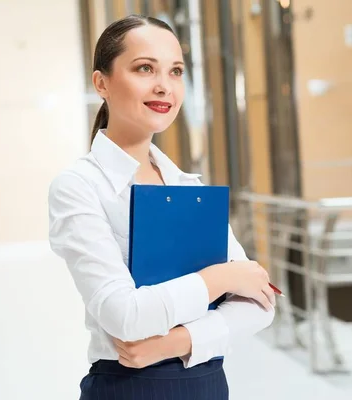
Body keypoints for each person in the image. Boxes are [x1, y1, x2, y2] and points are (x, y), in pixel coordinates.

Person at [48, 15, 276, 400]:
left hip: (207, 385)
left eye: (175, 71)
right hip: (128, 388)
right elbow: (123, 314)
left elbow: (260, 303)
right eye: (144, 68)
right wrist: (221, 278)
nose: (163, 86)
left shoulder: (191, 187)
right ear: (101, 82)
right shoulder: (80, 187)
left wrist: (174, 343)